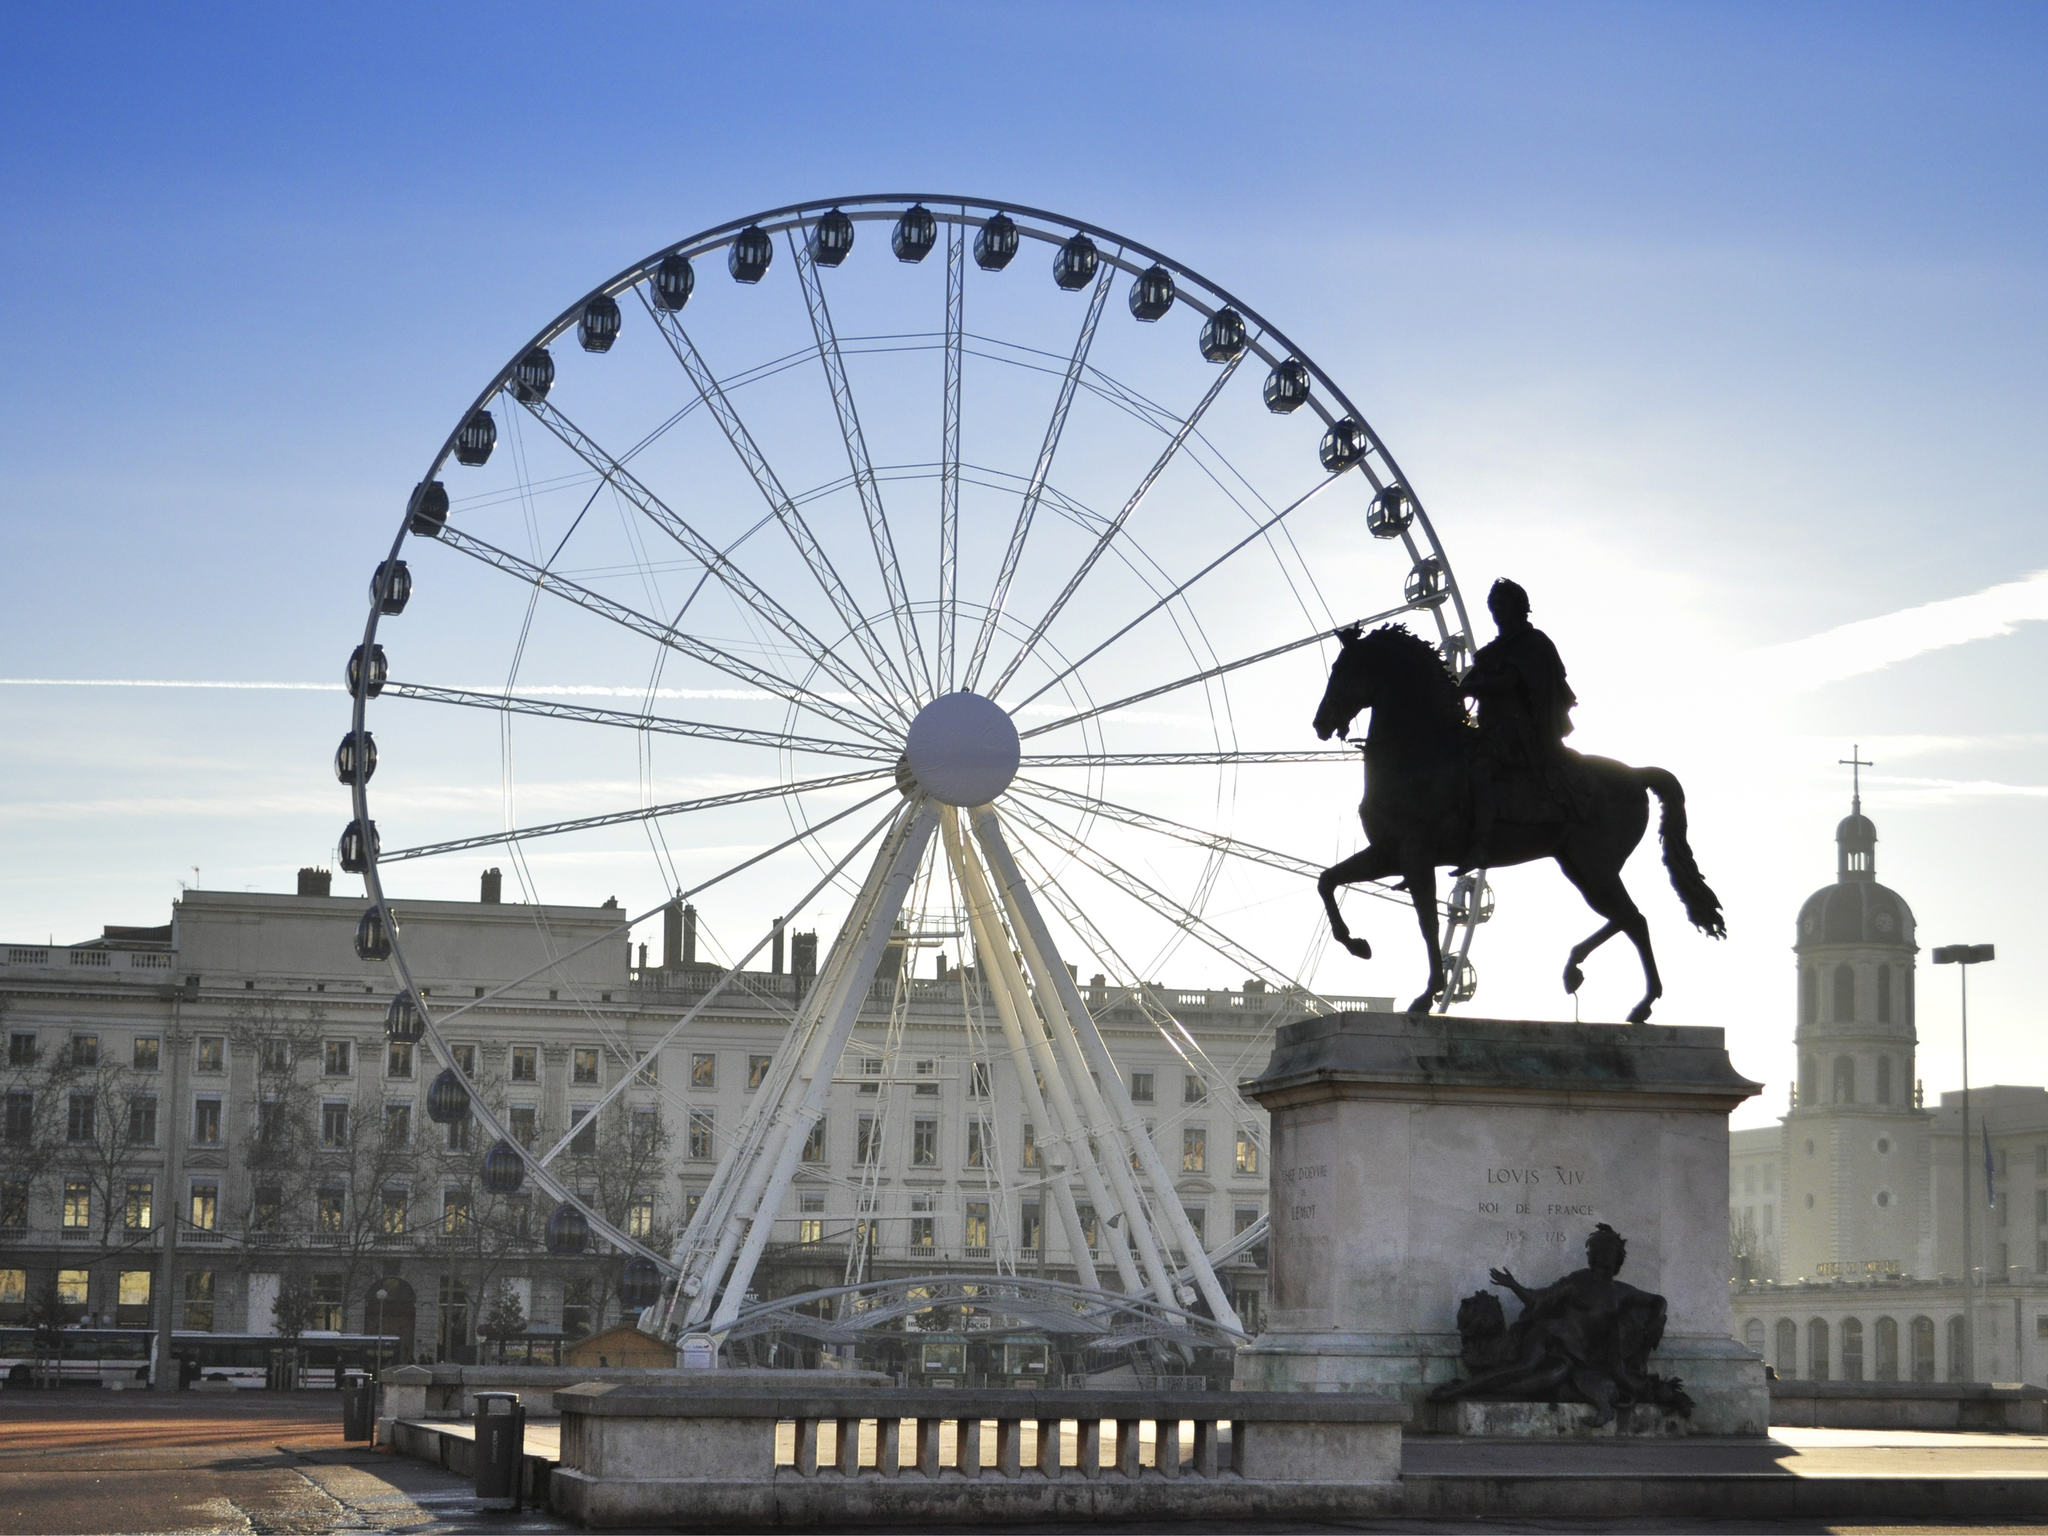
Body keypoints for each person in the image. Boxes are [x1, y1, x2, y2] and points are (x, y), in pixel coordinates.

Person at [1459, 578, 1577, 870]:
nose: (1497, 612)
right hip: (1488, 725)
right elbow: (1472, 679)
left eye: (1502, 606)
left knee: (1481, 770)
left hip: (1518, 729)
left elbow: (1510, 681)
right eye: (1493, 607)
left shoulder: (1532, 643)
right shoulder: (1493, 650)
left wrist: (1475, 686)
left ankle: (1481, 846)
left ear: (1519, 609)